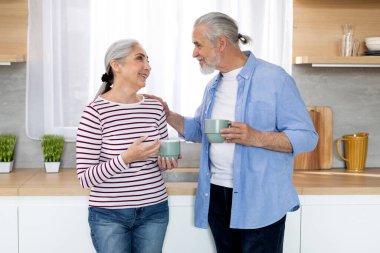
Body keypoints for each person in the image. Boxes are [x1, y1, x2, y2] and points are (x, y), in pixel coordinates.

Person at [147, 12, 318, 253]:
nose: (194, 53)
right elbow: (200, 130)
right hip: (217, 194)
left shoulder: (274, 79)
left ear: (221, 43)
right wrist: (169, 114)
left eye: (198, 45)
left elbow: (307, 137)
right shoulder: (214, 86)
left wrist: (255, 137)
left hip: (260, 199)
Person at [76, 39, 177, 253]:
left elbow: (160, 161)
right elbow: (85, 178)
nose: (148, 66)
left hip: (154, 210)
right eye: (140, 58)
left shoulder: (154, 108)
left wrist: (166, 162)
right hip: (110, 215)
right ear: (116, 65)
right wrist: (126, 158)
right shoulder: (95, 113)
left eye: (148, 60)